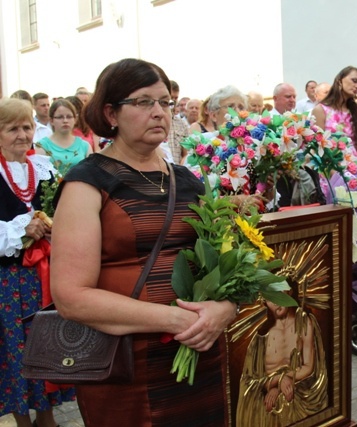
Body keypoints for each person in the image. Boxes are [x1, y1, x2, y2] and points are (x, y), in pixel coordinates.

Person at [50, 58, 238, 426]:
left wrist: (226, 308)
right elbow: (71, 296)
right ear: (111, 113)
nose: (158, 113)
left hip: (199, 356)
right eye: (143, 102)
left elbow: (224, 261)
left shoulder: (187, 180)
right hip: (125, 364)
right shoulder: (87, 183)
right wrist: (172, 318)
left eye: (165, 103)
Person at [0, 98, 74, 427]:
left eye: (27, 127)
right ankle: (22, 421)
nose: (22, 134)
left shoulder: (42, 167)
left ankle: (48, 419)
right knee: (15, 347)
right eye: (12, 128)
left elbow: (62, 210)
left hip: (46, 273)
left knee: (46, 343)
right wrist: (22, 230)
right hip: (9, 280)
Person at [236, 283, 328, 425]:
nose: (276, 302)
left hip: (300, 391)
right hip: (267, 400)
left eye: (279, 294)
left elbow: (309, 366)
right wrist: (276, 382)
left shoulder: (304, 322)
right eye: (270, 298)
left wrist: (282, 384)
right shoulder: (260, 338)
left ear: (288, 292)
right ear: (264, 302)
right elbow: (248, 381)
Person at [312, 66, 357, 171]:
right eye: (354, 81)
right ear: (339, 81)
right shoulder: (320, 110)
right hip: (331, 172)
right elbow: (317, 148)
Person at [35, 98, 93, 175]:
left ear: (75, 119)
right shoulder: (42, 146)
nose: (65, 121)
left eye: (69, 117)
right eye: (60, 117)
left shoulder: (85, 146)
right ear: (52, 120)